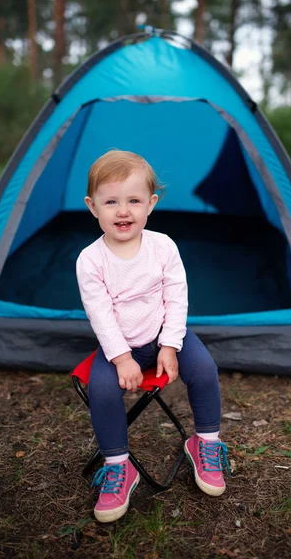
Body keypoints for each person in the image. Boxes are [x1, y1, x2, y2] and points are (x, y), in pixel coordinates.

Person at [76, 150, 230, 523]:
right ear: (93, 207)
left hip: (166, 335)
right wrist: (121, 358)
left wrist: (171, 344)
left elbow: (177, 298)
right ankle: (117, 465)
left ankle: (205, 443)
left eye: (133, 201)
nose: (123, 211)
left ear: (151, 204)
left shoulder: (163, 247)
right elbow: (101, 315)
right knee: (101, 389)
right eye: (111, 201)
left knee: (205, 369)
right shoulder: (90, 260)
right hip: (120, 347)